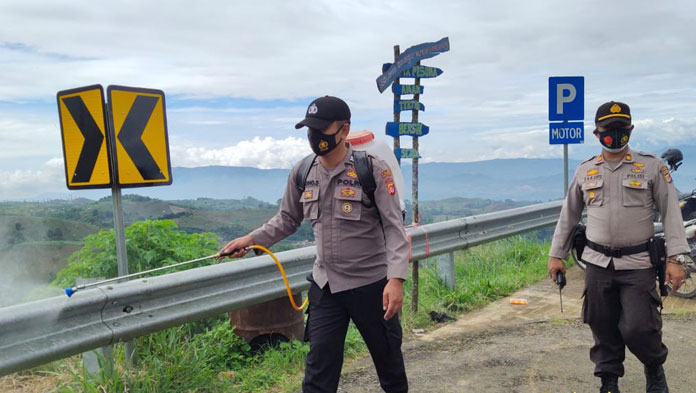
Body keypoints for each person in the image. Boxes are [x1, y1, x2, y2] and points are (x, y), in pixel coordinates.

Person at [220, 96, 409, 393]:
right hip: (326, 285)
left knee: (389, 363)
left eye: (322, 128)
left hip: (372, 284)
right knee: (319, 367)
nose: (314, 136)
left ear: (344, 130)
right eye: (310, 129)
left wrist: (395, 279)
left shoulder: (372, 170)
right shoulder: (303, 172)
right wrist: (251, 240)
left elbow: (395, 229)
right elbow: (286, 219)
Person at [548, 101, 691, 393]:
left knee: (639, 327)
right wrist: (556, 255)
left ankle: (654, 368)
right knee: (602, 325)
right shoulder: (585, 170)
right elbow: (569, 215)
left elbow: (671, 214)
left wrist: (676, 258)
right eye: (608, 130)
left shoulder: (652, 166)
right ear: (596, 133)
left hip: (638, 263)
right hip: (597, 265)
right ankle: (609, 382)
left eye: (621, 128)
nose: (615, 134)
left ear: (631, 130)